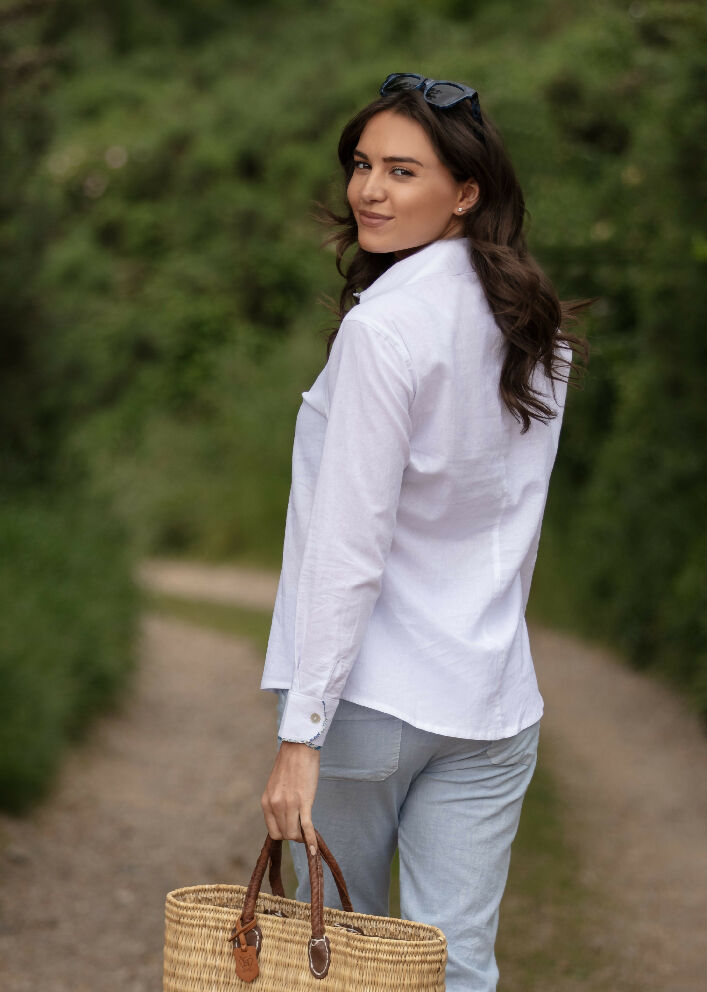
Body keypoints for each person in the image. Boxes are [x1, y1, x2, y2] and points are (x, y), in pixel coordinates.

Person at [260, 72, 589, 992]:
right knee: (457, 969)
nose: (369, 189)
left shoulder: (383, 331)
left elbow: (347, 546)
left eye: (402, 171)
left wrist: (300, 735)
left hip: (366, 704)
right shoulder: (536, 329)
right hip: (489, 700)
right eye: (363, 165)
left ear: (466, 191)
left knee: (331, 963)